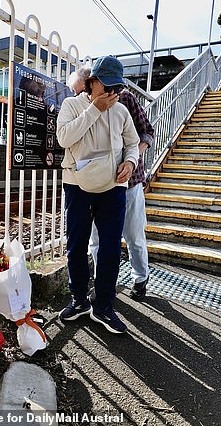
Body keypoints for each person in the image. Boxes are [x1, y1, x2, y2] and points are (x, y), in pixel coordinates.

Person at [56, 56, 140, 334]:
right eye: (108, 85)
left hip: (114, 185)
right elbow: (64, 138)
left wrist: (130, 163)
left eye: (117, 87)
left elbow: (133, 143)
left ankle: (103, 305)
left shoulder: (122, 111)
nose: (113, 93)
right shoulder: (72, 104)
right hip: (77, 184)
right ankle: (79, 300)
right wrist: (94, 109)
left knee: (111, 247)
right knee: (76, 244)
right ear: (92, 82)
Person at [69, 66, 155, 302]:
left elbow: (147, 131)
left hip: (130, 182)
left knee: (134, 235)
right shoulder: (82, 106)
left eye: (79, 90)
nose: (79, 97)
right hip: (100, 185)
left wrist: (131, 161)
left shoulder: (125, 98)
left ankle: (140, 278)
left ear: (91, 82)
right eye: (76, 93)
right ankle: (103, 282)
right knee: (96, 239)